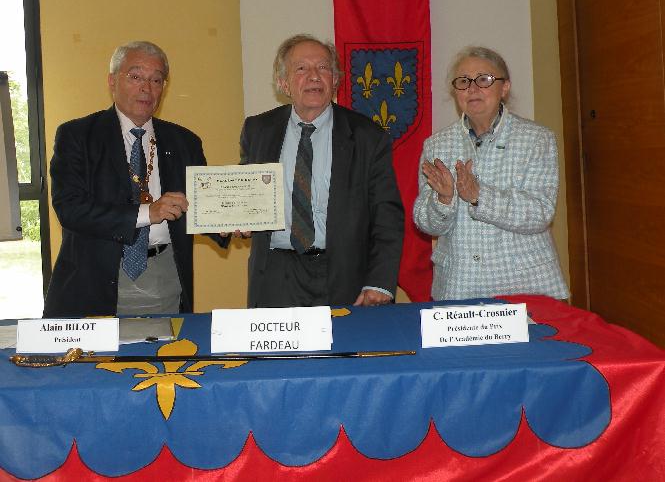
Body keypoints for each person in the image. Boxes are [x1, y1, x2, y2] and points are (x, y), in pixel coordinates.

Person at [44, 41, 226, 318]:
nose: (147, 87)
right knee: (98, 362)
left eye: (156, 79)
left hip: (165, 279)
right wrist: (147, 213)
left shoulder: (184, 141)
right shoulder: (78, 135)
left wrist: (227, 223)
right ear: (112, 81)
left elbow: (197, 206)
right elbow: (70, 209)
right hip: (96, 278)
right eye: (136, 76)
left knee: (165, 359)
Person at [236, 34, 404, 308]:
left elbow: (388, 216)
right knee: (278, 353)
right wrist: (233, 217)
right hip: (276, 274)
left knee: (342, 350)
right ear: (283, 83)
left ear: (335, 80)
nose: (314, 76)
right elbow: (247, 192)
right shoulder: (258, 130)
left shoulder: (367, 136)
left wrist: (381, 281)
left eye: (323, 68)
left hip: (344, 273)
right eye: (301, 68)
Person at [413, 46, 569, 300]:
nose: (472, 89)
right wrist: (442, 200)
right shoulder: (436, 145)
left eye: (484, 80)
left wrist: (479, 196)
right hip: (458, 286)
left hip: (524, 287)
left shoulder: (537, 139)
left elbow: (540, 212)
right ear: (456, 91)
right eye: (464, 81)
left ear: (504, 88)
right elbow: (427, 224)